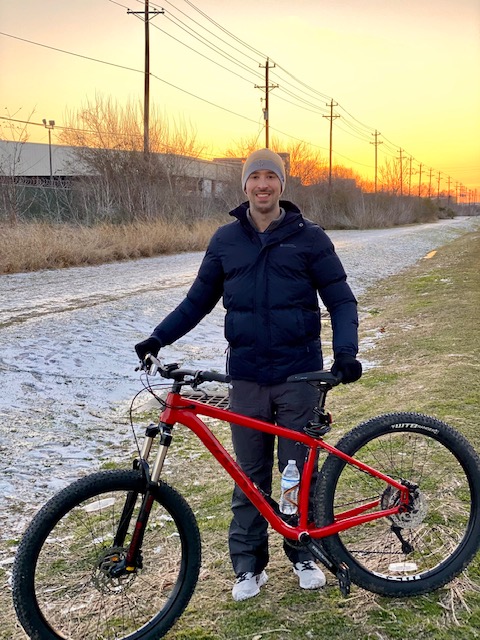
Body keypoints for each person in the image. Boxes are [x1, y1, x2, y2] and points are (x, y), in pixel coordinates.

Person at [135, 148, 362, 602]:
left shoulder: (309, 238)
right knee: (249, 476)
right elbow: (198, 301)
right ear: (244, 187)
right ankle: (247, 566)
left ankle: (303, 553)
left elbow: (341, 299)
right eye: (254, 178)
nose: (262, 185)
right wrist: (158, 338)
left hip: (300, 377)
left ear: (282, 185)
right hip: (248, 378)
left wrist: (345, 352)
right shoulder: (225, 241)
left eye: (270, 177)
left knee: (297, 472)